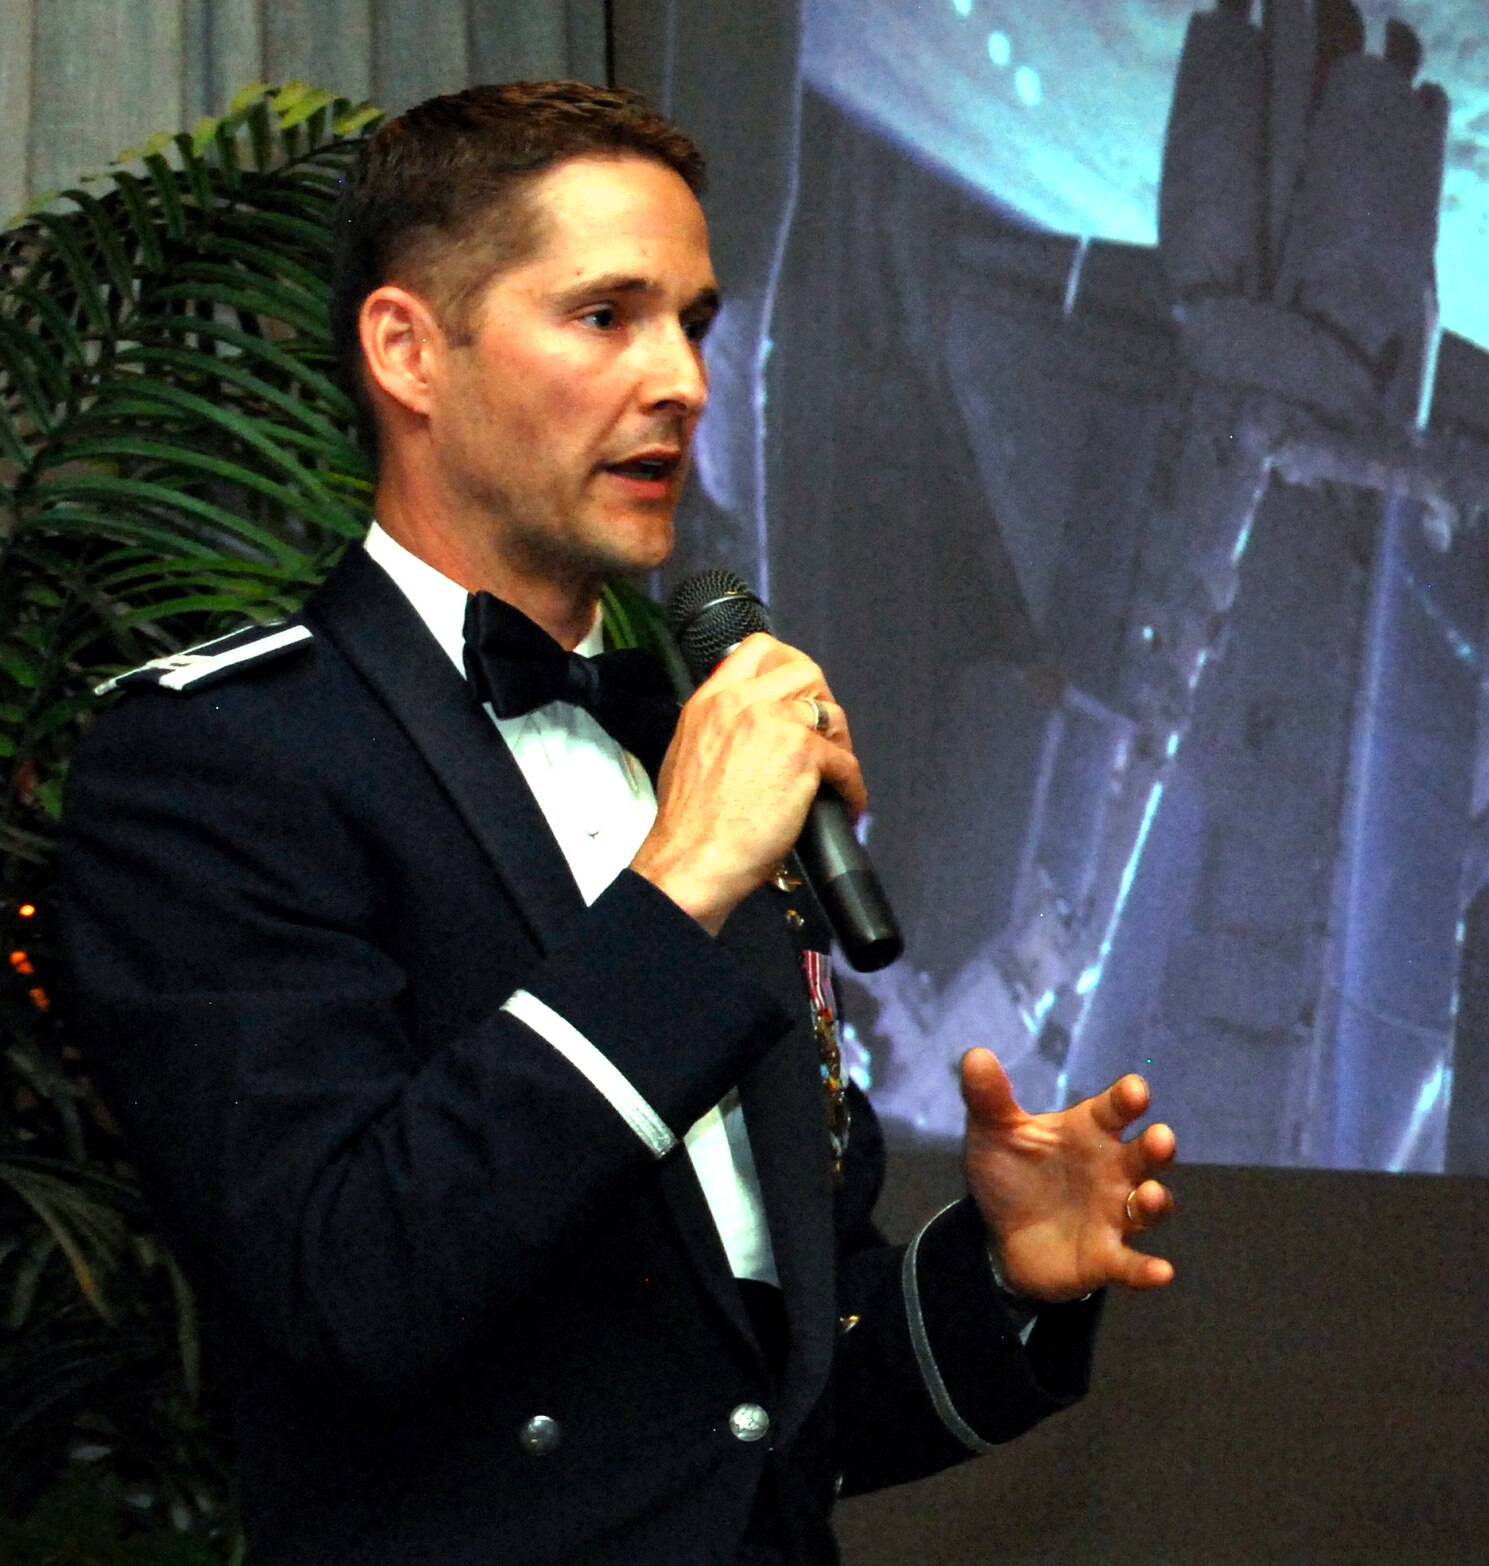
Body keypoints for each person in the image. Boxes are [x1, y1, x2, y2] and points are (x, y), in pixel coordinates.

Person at [58, 81, 1176, 1566]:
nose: (681, 382)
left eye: (695, 323)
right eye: (605, 316)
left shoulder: (685, 752)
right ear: (407, 351)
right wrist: (678, 887)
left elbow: (753, 1418)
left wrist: (1003, 1284)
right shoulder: (222, 756)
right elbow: (351, 1280)